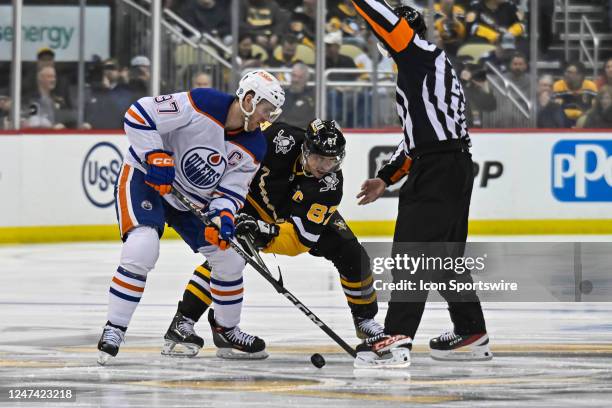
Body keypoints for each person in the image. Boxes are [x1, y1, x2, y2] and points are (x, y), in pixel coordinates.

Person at [96, 70, 285, 365]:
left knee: (231, 258)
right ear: (249, 99)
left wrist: (222, 217)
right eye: (265, 110)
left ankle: (227, 330)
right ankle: (115, 328)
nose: (266, 118)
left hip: (191, 201)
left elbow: (231, 191)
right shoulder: (203, 102)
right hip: (147, 179)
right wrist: (155, 156)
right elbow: (139, 113)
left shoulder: (254, 144)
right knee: (143, 245)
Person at [161, 120, 384, 359]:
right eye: (319, 158)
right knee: (226, 258)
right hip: (247, 204)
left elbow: (300, 240)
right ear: (305, 149)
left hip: (292, 217)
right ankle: (183, 322)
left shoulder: (330, 185)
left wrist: (265, 233)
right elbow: (234, 141)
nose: (325, 166)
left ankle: (365, 320)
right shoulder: (278, 137)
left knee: (352, 253)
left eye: (332, 160)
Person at [351, 1, 491, 367]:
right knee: (444, 259)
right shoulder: (426, 66)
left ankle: (396, 338)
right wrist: (385, 177)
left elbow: (386, 22)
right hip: (452, 164)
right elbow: (414, 140)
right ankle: (472, 331)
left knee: (410, 255)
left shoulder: (417, 54)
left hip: (439, 169)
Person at [553, 61, 598, 127]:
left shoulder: (590, 86)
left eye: (571, 73)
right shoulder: (558, 85)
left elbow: (595, 108)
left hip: (585, 120)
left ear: (581, 75)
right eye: (567, 72)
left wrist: (583, 116)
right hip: (564, 121)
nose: (568, 75)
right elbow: (556, 110)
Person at [281, 62, 315, 128]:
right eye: (294, 76)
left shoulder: (312, 97)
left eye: (300, 77)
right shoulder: (282, 94)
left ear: (306, 79)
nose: (296, 80)